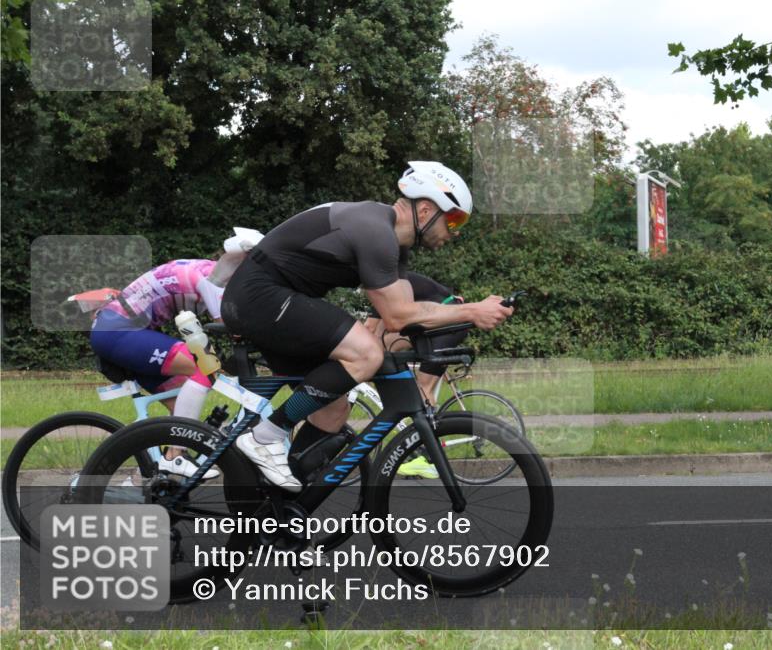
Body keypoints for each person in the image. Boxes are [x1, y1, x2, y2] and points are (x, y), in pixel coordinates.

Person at [221, 161, 512, 491]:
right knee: (367, 353)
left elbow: (409, 312)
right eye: (455, 219)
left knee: (333, 410)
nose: (455, 231)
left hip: (274, 301)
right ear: (427, 208)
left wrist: (460, 319)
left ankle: (279, 505)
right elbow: (398, 317)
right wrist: (472, 312)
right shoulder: (374, 230)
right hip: (259, 296)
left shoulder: (394, 247)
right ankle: (266, 435)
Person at [85, 228, 262, 478]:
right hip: (118, 330)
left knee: (179, 410)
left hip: (118, 328)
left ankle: (153, 480)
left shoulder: (210, 271)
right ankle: (175, 456)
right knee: (204, 365)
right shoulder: (212, 281)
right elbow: (232, 327)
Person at [363, 271, 468, 478]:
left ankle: (428, 458)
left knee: (422, 388)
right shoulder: (391, 281)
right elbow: (381, 334)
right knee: (385, 344)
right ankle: (398, 400)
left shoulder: (381, 287)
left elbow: (369, 328)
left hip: (446, 327)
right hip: (441, 323)